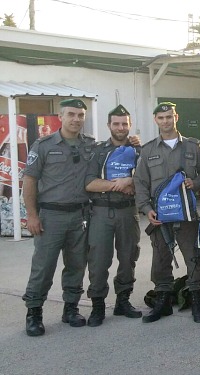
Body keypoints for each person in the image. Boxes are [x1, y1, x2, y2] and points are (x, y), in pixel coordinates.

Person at [22, 98, 96, 336]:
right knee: (43, 266)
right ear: (61, 117)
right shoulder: (43, 145)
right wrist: (32, 215)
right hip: (51, 216)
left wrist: (133, 141)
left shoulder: (91, 146)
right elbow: (29, 181)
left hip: (81, 215)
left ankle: (71, 308)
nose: (76, 119)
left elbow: (114, 153)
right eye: (71, 114)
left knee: (76, 265)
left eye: (81, 115)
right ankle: (34, 312)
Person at [133, 102, 200, 324]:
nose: (166, 121)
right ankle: (163, 301)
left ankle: (196, 300)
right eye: (161, 117)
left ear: (176, 117)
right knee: (160, 259)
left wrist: (195, 182)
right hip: (160, 216)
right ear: (155, 120)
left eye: (169, 117)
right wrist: (147, 209)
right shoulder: (148, 150)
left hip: (187, 215)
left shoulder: (193, 147)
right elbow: (140, 182)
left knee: (193, 257)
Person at [84, 104, 143, 327]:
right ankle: (98, 305)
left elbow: (145, 181)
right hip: (102, 212)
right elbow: (89, 183)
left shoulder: (138, 151)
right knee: (99, 261)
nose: (120, 127)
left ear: (129, 126)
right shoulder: (98, 151)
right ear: (109, 125)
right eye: (116, 123)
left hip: (128, 211)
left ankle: (123, 300)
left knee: (128, 257)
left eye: (124, 124)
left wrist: (131, 181)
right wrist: (118, 185)